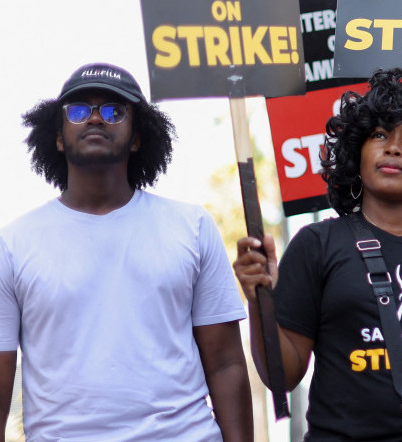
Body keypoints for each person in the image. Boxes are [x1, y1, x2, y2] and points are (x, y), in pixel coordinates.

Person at [234, 68, 402, 440]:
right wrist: (258, 299)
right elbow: (281, 375)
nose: (392, 147)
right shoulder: (317, 244)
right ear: (356, 155)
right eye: (379, 135)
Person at [0, 63, 251, 441]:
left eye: (115, 111)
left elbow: (226, 364)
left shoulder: (192, 226)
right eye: (79, 110)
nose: (96, 119)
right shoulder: (14, 243)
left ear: (137, 138)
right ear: (57, 137)